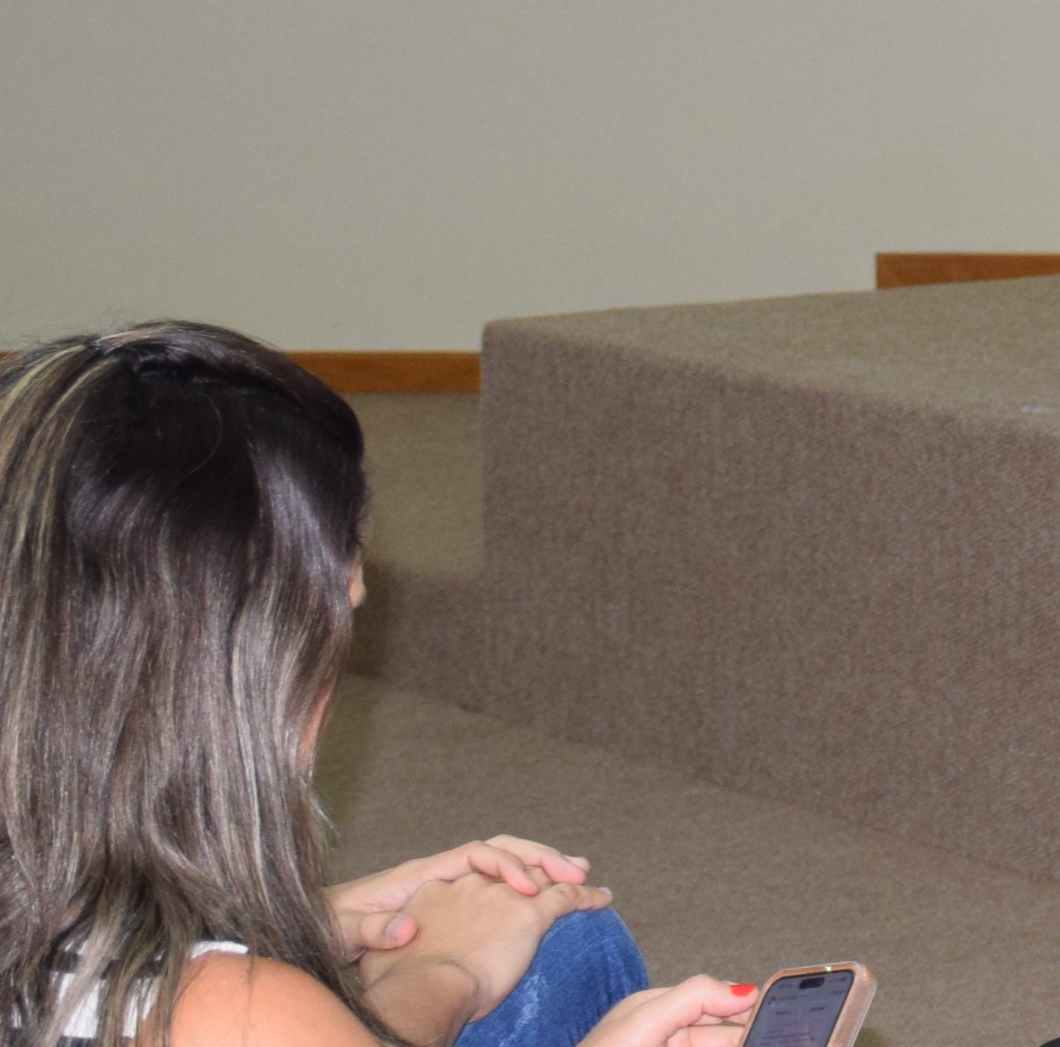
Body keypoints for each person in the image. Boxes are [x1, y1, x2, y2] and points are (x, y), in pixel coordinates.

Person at [0, 323, 759, 1047]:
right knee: (569, 945)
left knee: (536, 924)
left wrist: (304, 926)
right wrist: (447, 970)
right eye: (333, 630)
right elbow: (236, 1019)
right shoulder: (221, 1010)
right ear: (239, 678)